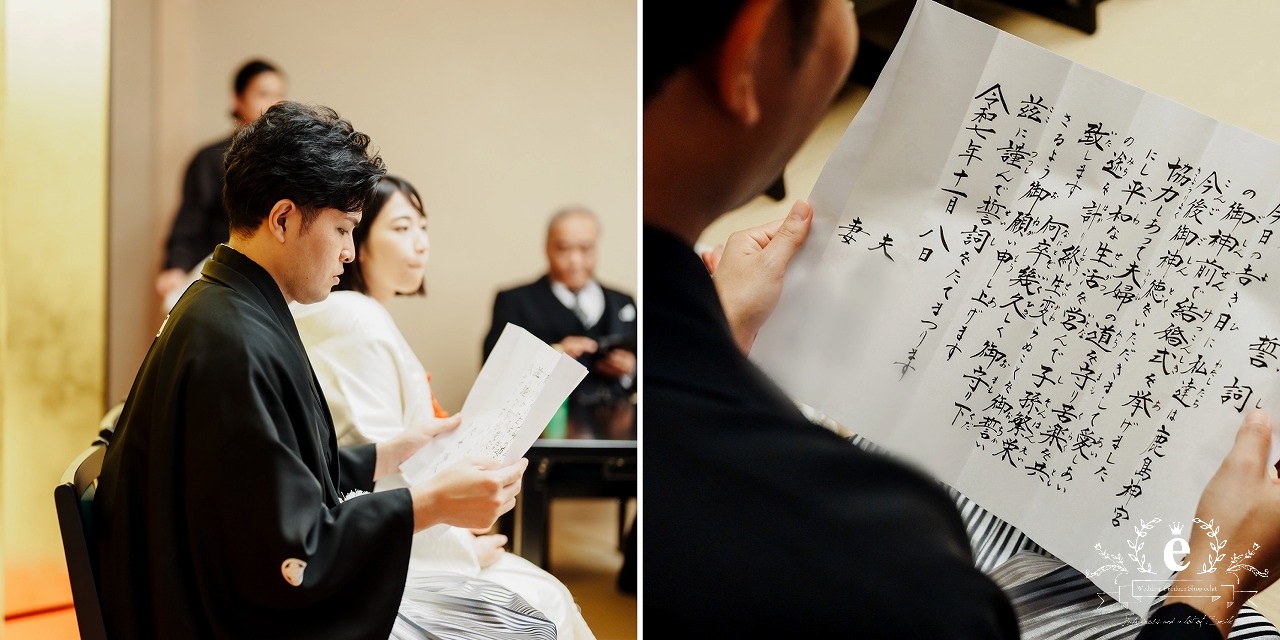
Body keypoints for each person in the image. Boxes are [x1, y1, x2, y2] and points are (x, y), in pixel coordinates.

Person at [642, 0, 1280, 637]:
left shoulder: (686, 415)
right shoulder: (869, 538)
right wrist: (1212, 588)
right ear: (747, 52)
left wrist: (720, 337)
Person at [95, 101, 543, 639]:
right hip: (229, 622)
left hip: (210, 597)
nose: (350, 253)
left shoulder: (225, 305)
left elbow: (268, 481)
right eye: (342, 229)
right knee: (532, 619)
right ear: (283, 218)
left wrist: (384, 455)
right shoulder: (234, 340)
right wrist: (431, 504)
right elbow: (291, 557)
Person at [292, 174, 597, 639]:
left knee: (543, 591)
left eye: (423, 227)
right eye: (400, 228)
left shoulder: (363, 316)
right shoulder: (354, 317)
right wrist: (458, 548)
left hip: (403, 530)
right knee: (546, 599)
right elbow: (374, 462)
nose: (420, 244)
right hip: (395, 545)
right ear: (358, 238)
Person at [481, 207, 637, 436]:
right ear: (547, 248)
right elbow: (493, 369)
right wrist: (554, 354)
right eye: (563, 248)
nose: (575, 260)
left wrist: (629, 370)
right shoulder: (515, 301)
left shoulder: (622, 301)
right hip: (542, 437)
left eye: (586, 249)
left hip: (618, 437)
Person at [155, 58, 286, 307]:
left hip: (275, 279)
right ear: (238, 99)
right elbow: (190, 220)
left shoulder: (286, 161)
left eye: (279, 95)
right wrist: (175, 266)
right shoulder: (211, 159)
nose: (273, 103)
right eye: (263, 94)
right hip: (222, 276)